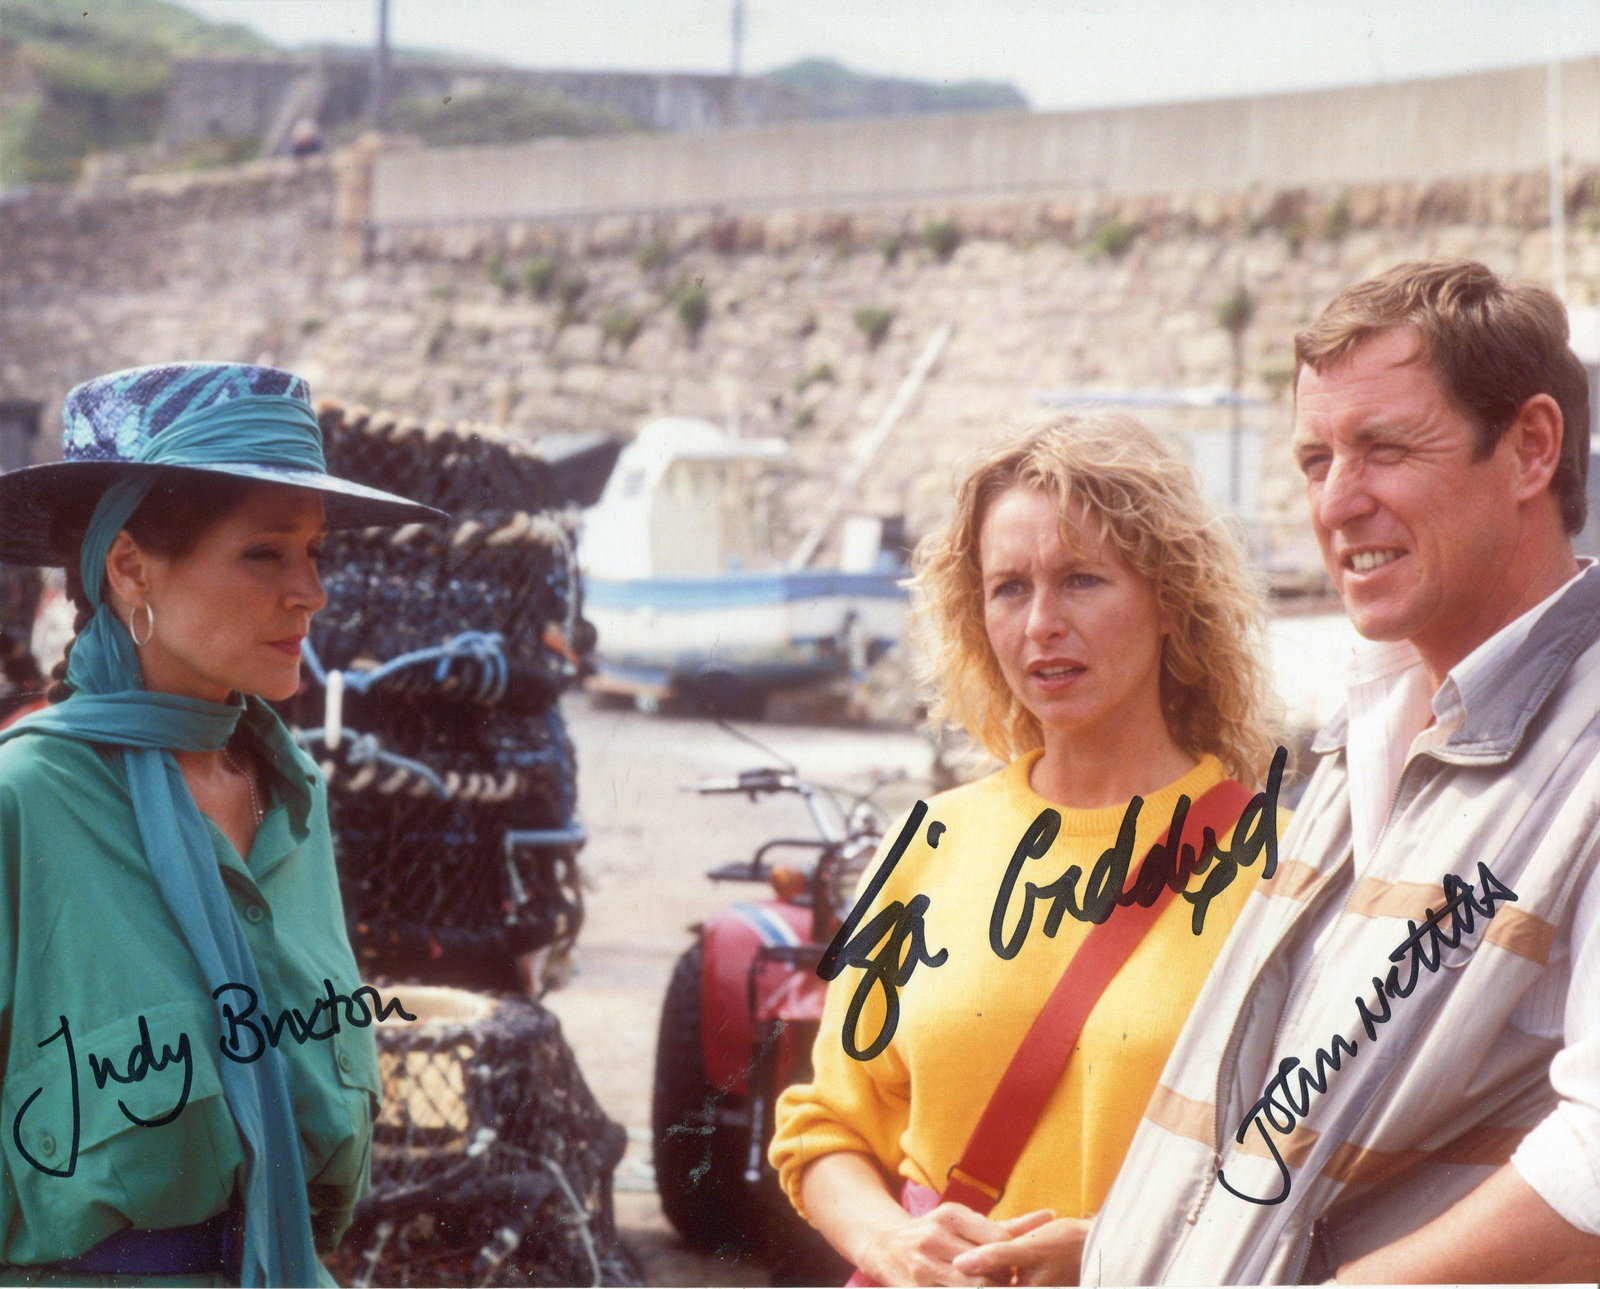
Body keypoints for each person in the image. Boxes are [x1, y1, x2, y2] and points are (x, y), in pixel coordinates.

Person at [1080, 258, 1600, 1283]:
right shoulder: (1372, 724)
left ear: (1531, 448)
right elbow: (1316, 1141)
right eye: (1315, 460)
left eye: (1384, 449)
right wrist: (1142, 1248)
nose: (1336, 502)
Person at [769, 412, 1285, 1286]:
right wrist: (891, 1244)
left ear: (1169, 598)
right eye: (1009, 587)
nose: (1042, 622)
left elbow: (1316, 1169)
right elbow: (826, 1126)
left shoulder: (1276, 866)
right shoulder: (929, 843)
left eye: (1081, 579)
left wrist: (1121, 1252)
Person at [0, 362, 443, 1286]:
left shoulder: (291, 795)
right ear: (130, 567)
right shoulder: (26, 802)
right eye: (265, 553)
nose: (311, 591)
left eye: (314, 551)